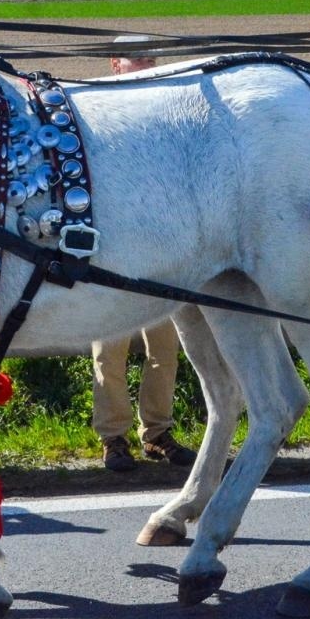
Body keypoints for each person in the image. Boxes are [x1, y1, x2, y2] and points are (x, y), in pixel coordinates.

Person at [92, 40, 196, 472]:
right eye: (138, 56)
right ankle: (113, 439)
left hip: (161, 251)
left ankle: (157, 433)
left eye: (151, 56)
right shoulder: (97, 108)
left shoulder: (168, 113)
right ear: (116, 65)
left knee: (165, 350)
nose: (147, 61)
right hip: (113, 253)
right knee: (107, 353)